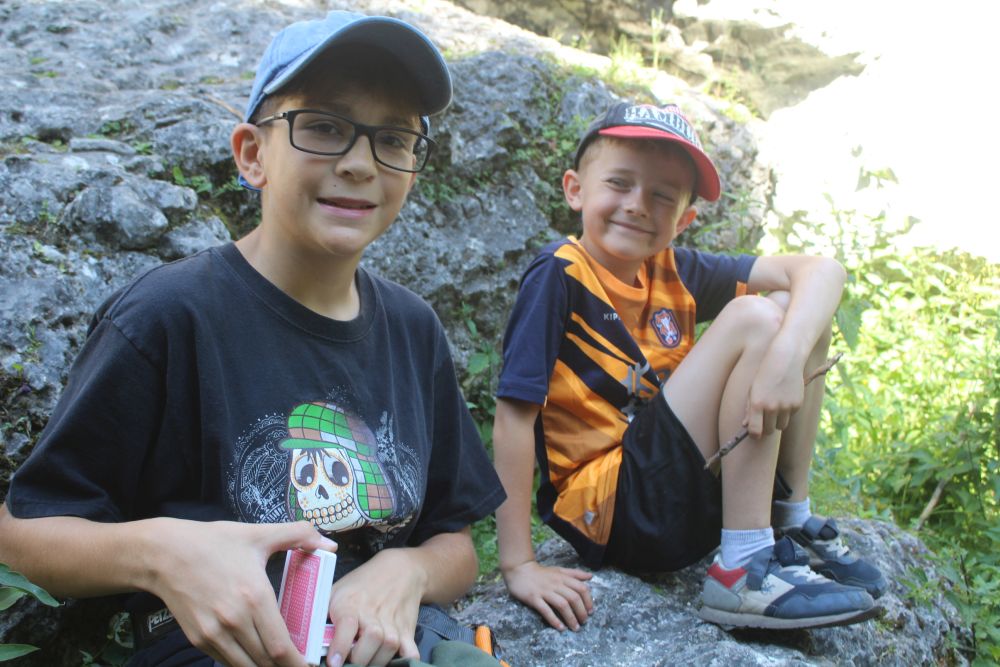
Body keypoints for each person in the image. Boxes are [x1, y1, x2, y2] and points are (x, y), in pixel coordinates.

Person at [0, 11, 506, 667]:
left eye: (393, 138)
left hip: (386, 641)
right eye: (323, 127)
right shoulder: (168, 316)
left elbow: (455, 541)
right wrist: (160, 553)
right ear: (251, 153)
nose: (360, 163)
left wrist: (407, 569)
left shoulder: (414, 329)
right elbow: (23, 533)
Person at [493, 101, 887, 632]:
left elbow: (823, 271)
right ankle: (743, 570)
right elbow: (514, 417)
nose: (637, 205)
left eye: (662, 196)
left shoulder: (674, 269)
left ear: (683, 220)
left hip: (678, 492)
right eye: (620, 183)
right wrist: (519, 564)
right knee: (756, 317)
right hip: (616, 511)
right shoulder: (558, 275)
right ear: (575, 189)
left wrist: (789, 355)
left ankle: (786, 522)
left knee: (791, 313)